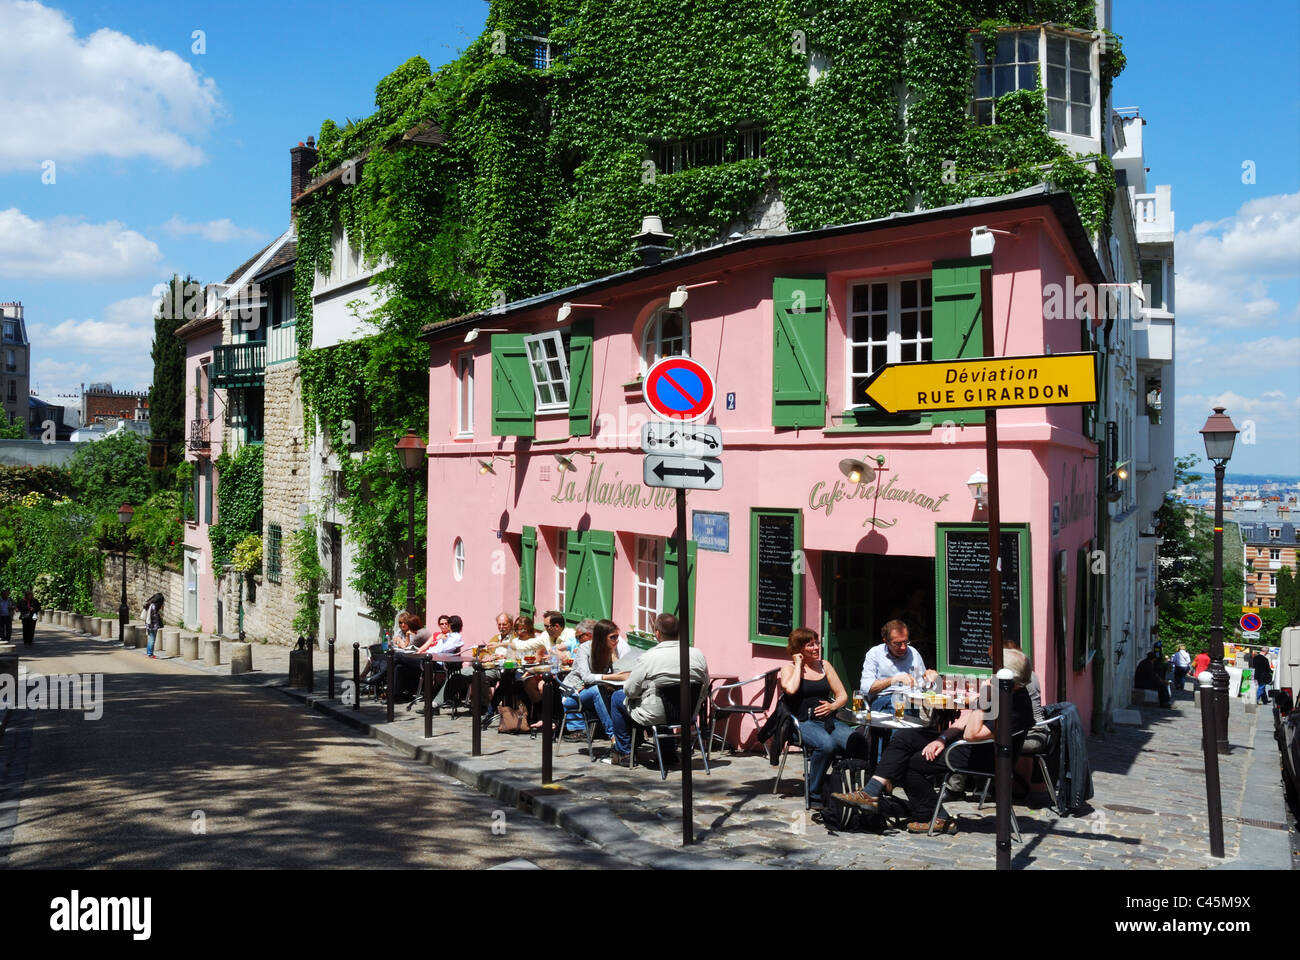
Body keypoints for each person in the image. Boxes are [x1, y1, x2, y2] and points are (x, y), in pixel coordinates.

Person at [833, 648, 1036, 834]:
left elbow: (971, 734)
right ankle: (872, 791)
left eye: (997, 670)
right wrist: (941, 738)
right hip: (971, 745)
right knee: (907, 737)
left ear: (1010, 677)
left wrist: (982, 699)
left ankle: (937, 816)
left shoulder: (1016, 705)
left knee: (910, 763)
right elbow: (967, 719)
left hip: (985, 756)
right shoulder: (1004, 690)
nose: (992, 674)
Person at [607, 613, 709, 766]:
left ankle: (625, 753)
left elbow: (630, 690)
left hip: (657, 713)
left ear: (657, 633)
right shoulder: (697, 654)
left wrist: (642, 691)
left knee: (617, 697)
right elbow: (705, 685)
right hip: (687, 712)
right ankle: (668, 753)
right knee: (659, 701)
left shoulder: (649, 657)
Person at [779, 627, 853, 803]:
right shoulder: (788, 668)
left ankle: (848, 788)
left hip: (827, 720)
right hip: (802, 723)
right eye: (810, 645)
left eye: (816, 643)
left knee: (855, 741)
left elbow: (843, 695)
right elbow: (790, 689)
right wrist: (798, 664)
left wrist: (832, 705)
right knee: (827, 746)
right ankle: (815, 791)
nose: (816, 648)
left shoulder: (824, 665)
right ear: (799, 649)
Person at [563, 619, 628, 742]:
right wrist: (611, 678)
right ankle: (613, 736)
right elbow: (587, 677)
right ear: (602, 638)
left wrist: (613, 654)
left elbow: (620, 673)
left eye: (617, 637)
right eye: (613, 637)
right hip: (573, 694)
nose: (617, 640)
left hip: (595, 693)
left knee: (619, 693)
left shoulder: (609, 650)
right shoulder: (584, 649)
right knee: (596, 690)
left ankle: (631, 735)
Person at [859, 620, 937, 712]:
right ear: (886, 641)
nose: (903, 647)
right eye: (897, 643)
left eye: (906, 642)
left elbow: (922, 687)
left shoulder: (913, 653)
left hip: (912, 701)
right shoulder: (875, 654)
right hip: (885, 700)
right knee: (899, 705)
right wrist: (894, 679)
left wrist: (929, 680)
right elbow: (866, 688)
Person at [144, 593, 164, 658]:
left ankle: (148, 652)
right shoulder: (154, 606)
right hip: (153, 625)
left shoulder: (149, 604)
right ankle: (150, 653)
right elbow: (154, 618)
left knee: (150, 638)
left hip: (148, 624)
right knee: (152, 639)